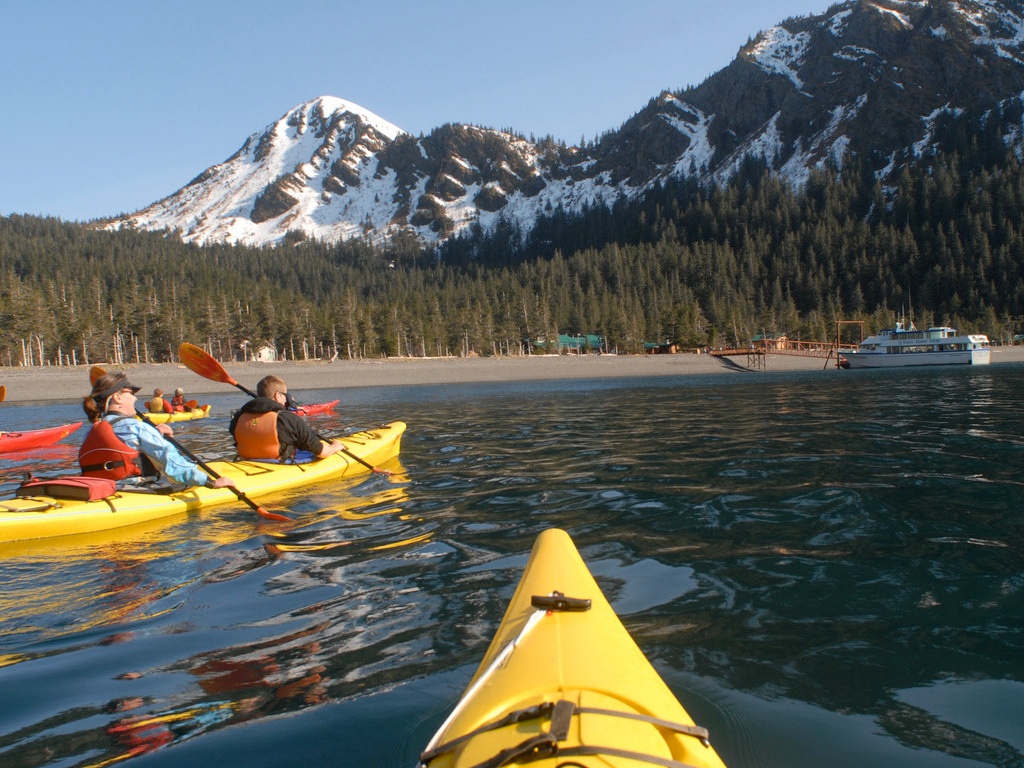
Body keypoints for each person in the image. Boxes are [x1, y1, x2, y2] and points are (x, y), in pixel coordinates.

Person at [80, 372, 236, 491]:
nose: (135, 399)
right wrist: (211, 482)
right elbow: (173, 463)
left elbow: (126, 442)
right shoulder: (137, 427)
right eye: (131, 393)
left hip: (103, 488)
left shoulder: (93, 429)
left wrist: (153, 431)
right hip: (136, 490)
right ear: (118, 397)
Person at [228, 375, 344, 463]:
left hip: (248, 461)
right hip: (279, 464)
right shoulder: (288, 419)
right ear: (277, 395)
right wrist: (334, 447)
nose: (287, 400)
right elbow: (322, 452)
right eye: (286, 395)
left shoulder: (238, 417)